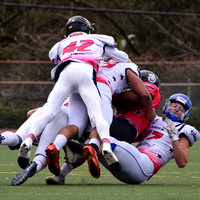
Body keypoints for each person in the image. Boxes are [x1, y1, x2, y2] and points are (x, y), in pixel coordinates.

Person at [16, 15, 130, 175]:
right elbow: (123, 57)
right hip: (86, 73)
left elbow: (55, 65)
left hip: (66, 74)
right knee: (97, 116)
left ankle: (28, 139)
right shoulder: (97, 39)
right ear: (87, 29)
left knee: (49, 111)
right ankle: (106, 145)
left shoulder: (60, 44)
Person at [47, 93, 200, 185]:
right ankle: (62, 174)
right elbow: (131, 137)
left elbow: (182, 162)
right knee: (93, 141)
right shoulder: (154, 120)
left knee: (102, 143)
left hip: (145, 164)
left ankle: (78, 150)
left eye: (180, 109)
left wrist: (173, 136)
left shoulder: (185, 130)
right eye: (174, 105)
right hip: (128, 162)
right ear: (168, 105)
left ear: (185, 114)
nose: (175, 109)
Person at [45, 70, 161, 184]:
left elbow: (136, 97)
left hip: (126, 125)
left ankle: (65, 141)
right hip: (124, 128)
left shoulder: (148, 88)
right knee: (89, 145)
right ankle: (62, 173)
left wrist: (111, 90)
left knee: (86, 119)